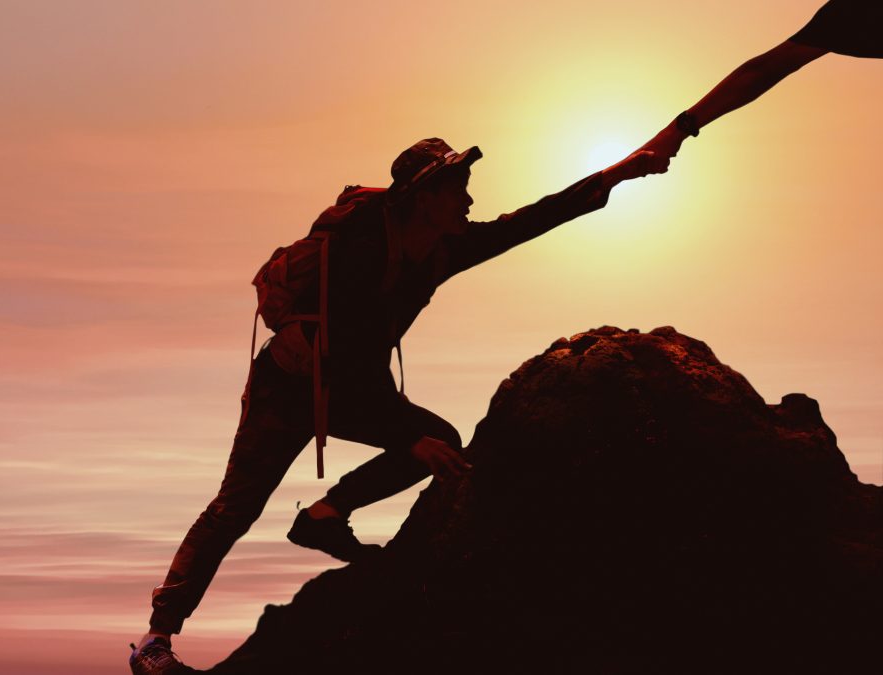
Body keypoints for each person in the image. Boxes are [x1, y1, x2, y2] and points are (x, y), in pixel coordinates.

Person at [129, 138, 669, 674]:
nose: (469, 200)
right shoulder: (357, 252)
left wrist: (615, 175)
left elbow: (526, 222)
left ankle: (324, 516)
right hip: (291, 386)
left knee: (440, 443)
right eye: (458, 187)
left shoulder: (442, 247)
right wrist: (406, 436)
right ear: (423, 196)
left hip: (358, 384)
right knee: (235, 509)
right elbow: (338, 366)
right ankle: (155, 643)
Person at [642, 0, 882, 160]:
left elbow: (763, 71)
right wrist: (676, 131)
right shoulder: (851, 15)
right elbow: (762, 72)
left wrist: (676, 132)